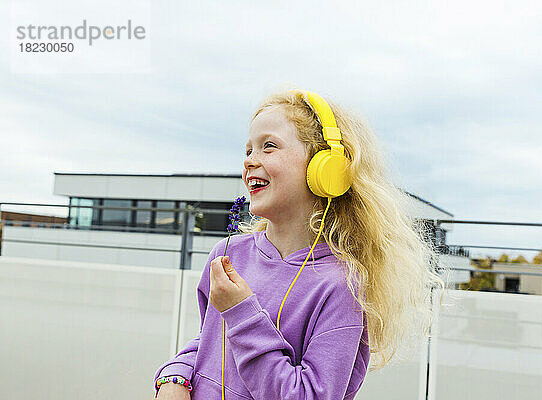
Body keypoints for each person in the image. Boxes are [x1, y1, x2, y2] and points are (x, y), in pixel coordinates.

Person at [153, 87, 448, 399]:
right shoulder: (228, 255)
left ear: (326, 169)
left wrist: (240, 311)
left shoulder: (341, 286)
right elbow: (210, 340)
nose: (251, 161)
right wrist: (176, 378)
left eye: (269, 147)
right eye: (248, 150)